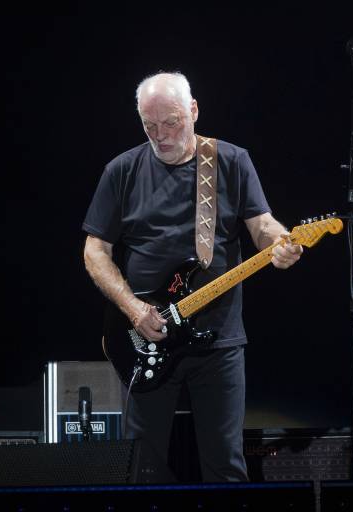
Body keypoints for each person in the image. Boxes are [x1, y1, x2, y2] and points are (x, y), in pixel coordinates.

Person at [82, 72, 302, 482]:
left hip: (218, 339)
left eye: (171, 122)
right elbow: (95, 250)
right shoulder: (122, 170)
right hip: (146, 337)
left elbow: (262, 225)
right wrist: (134, 310)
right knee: (142, 467)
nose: (160, 136)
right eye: (149, 125)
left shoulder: (231, 161)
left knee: (225, 466)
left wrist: (280, 243)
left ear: (194, 110)